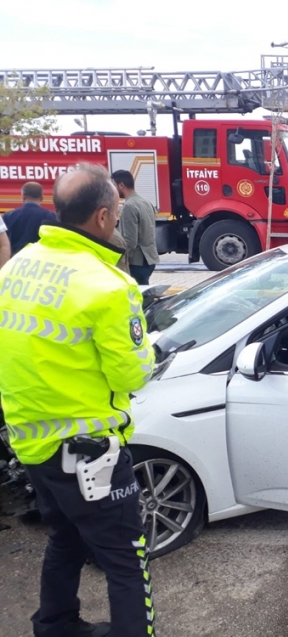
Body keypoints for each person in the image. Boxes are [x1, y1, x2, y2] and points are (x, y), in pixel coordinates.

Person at [0, 164, 157, 637]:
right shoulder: (110, 286)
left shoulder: (17, 267)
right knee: (127, 560)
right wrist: (148, 347)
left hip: (31, 442)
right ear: (105, 217)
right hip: (90, 451)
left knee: (64, 538)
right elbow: (132, 373)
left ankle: (54, 626)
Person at [111, 170, 159, 285]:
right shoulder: (146, 202)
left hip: (137, 262)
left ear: (121, 185)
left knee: (138, 297)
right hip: (150, 259)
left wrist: (123, 262)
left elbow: (129, 241)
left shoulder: (129, 206)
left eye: (113, 185)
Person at [3, 182, 57, 254]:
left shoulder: (8, 216)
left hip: (14, 261)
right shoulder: (50, 216)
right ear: (42, 197)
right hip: (39, 260)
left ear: (23, 196)